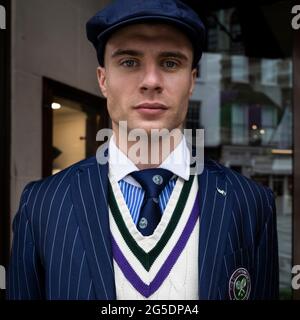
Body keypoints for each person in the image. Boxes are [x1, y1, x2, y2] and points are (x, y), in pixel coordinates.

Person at [7, 0, 279, 300]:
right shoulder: (43, 205)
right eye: (129, 62)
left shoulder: (251, 202)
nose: (151, 81)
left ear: (192, 80)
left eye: (170, 62)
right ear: (103, 80)